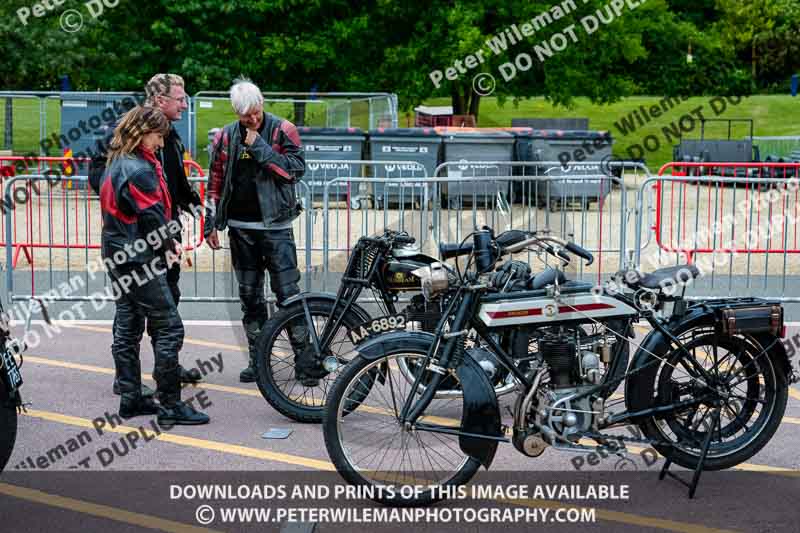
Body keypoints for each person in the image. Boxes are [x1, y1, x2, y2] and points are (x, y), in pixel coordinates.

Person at [89, 73, 203, 397]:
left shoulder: (170, 136)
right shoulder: (126, 140)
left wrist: (195, 205)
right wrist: (129, 205)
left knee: (162, 307)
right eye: (179, 99)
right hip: (141, 242)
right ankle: (151, 392)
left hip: (154, 237)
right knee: (150, 317)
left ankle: (158, 373)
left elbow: (176, 181)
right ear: (158, 101)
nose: (184, 104)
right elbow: (99, 174)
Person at [204, 78, 309, 383]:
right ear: (236, 112)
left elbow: (293, 171)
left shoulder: (282, 130)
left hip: (276, 227)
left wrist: (259, 147)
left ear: (262, 103)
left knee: (288, 295)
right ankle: (259, 361)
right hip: (240, 229)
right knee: (250, 298)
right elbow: (215, 181)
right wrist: (210, 223)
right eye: (244, 115)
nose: (251, 119)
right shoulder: (225, 137)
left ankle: (305, 360)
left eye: (255, 112)